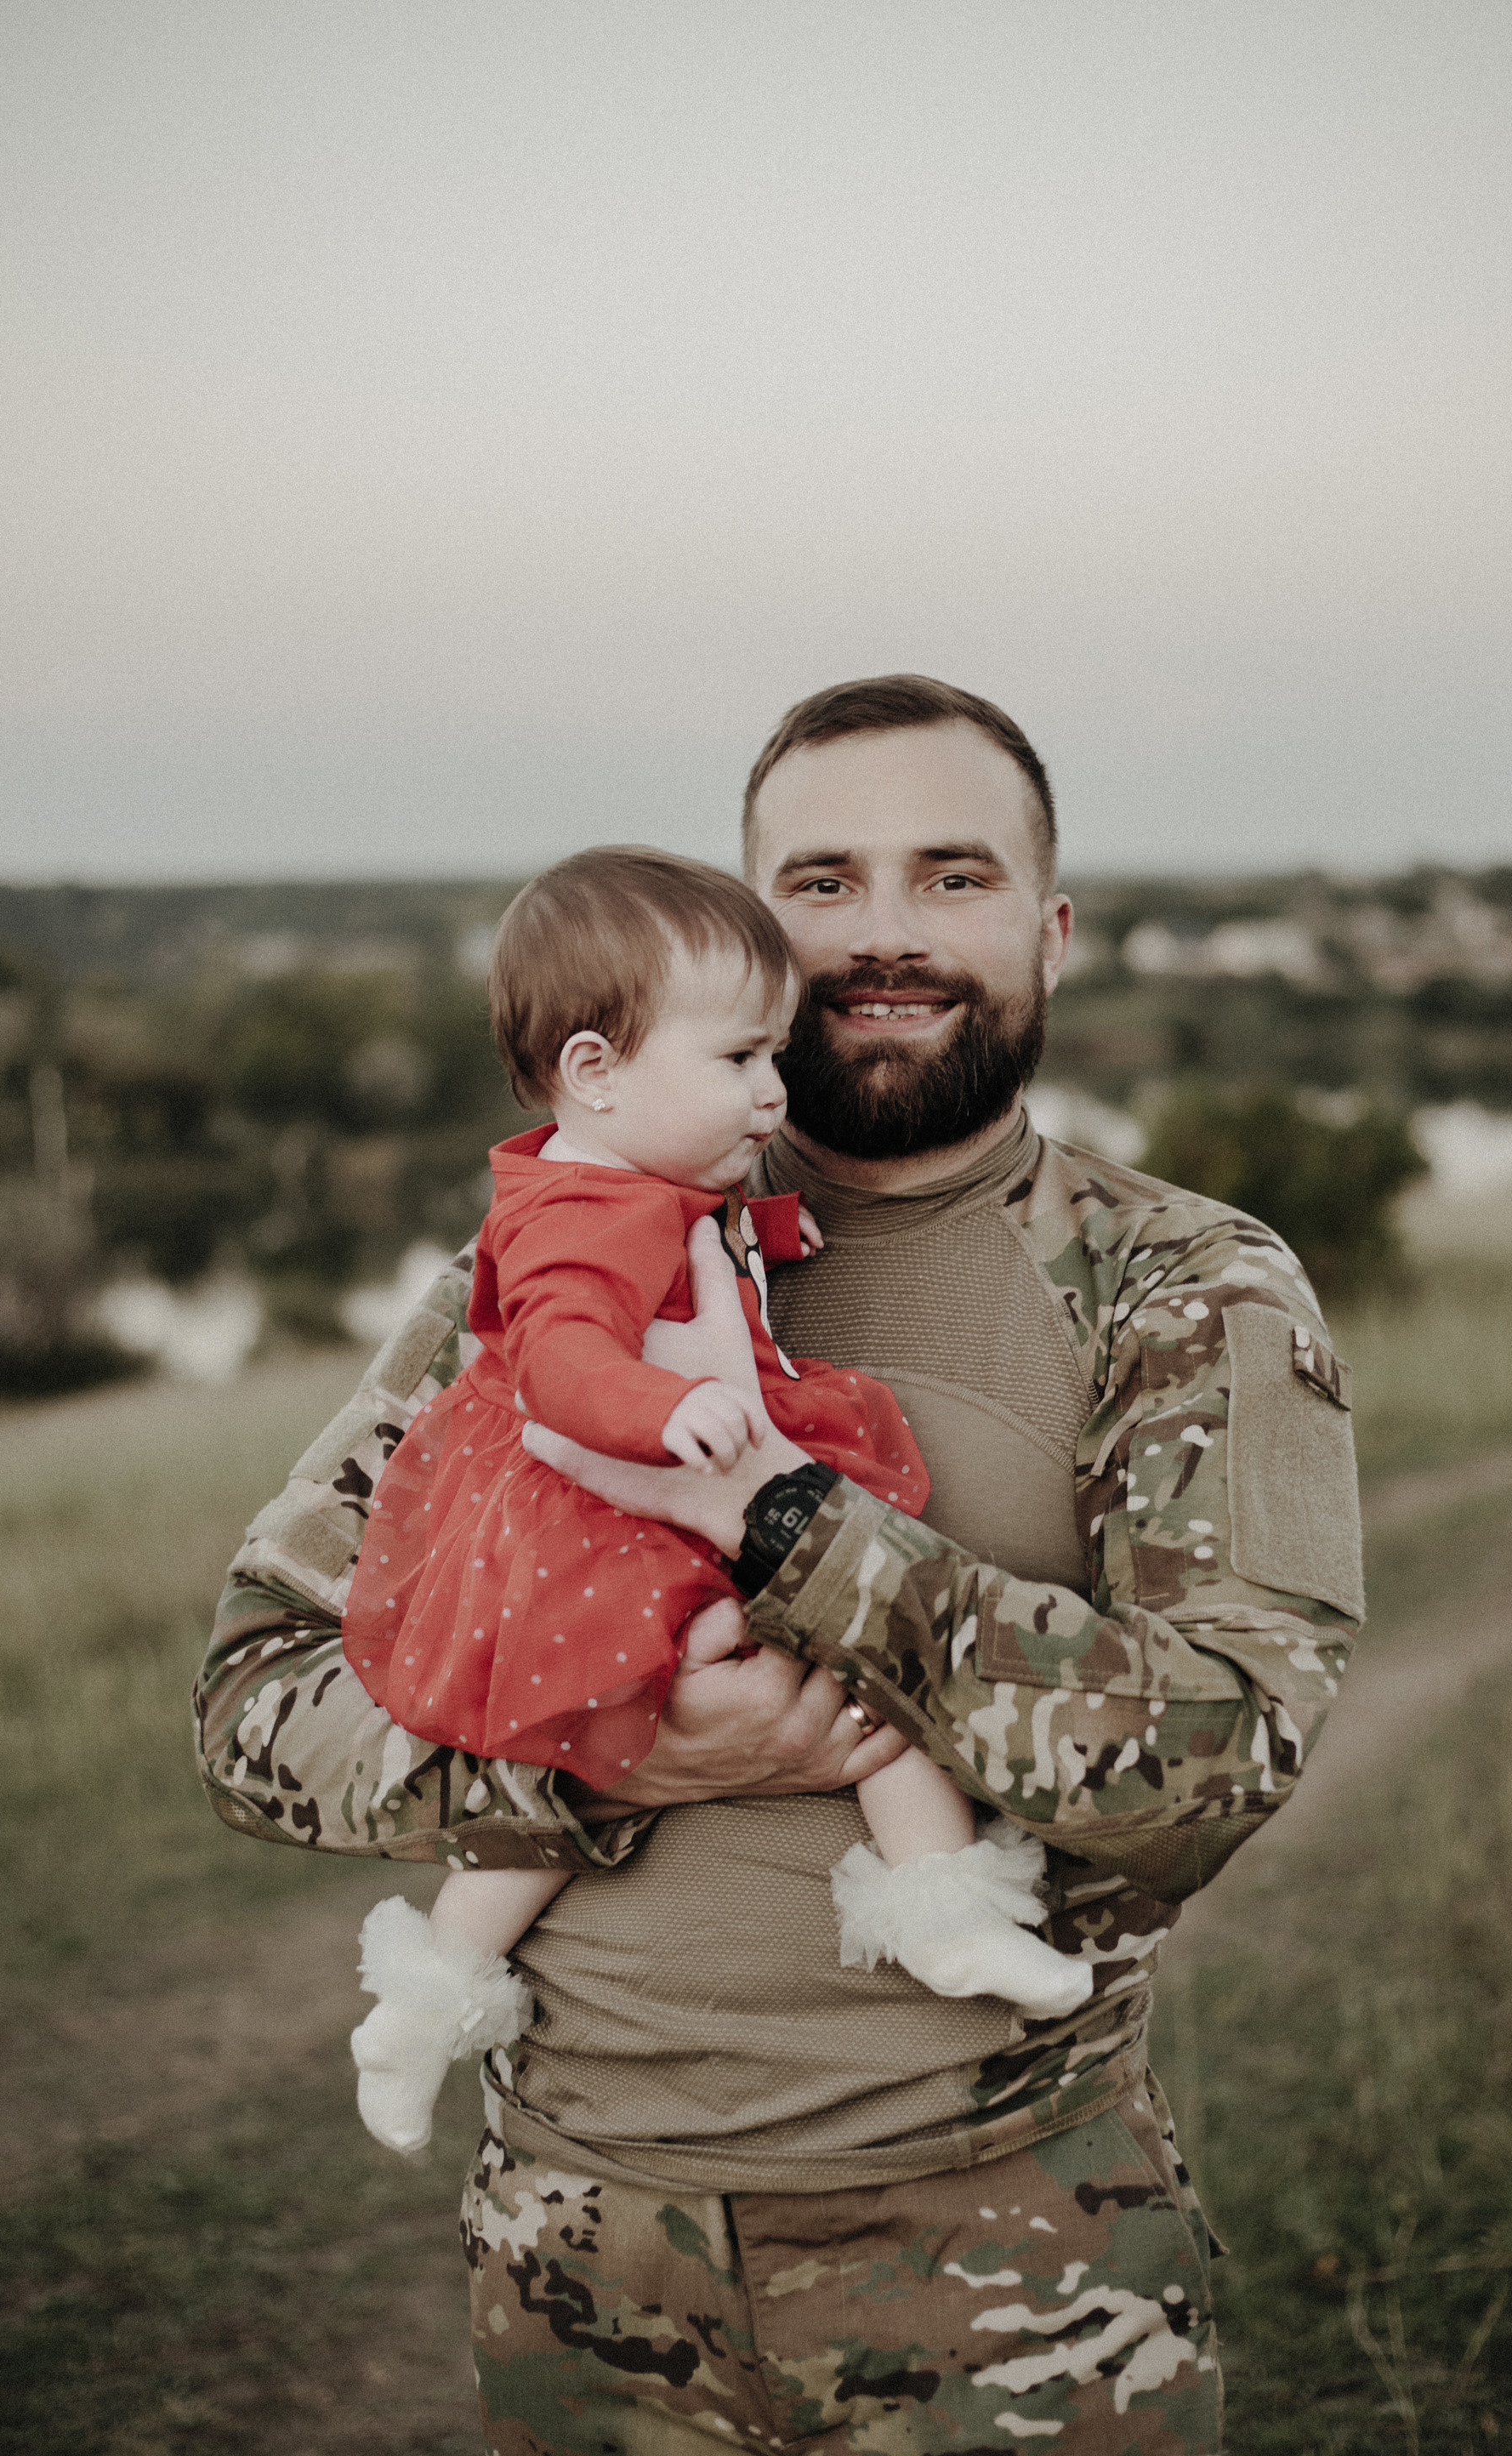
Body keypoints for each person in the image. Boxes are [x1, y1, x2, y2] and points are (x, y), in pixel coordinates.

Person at [197, 674, 1365, 2456]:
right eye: (821, 881)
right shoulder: (541, 1275)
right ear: (735, 931)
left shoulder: (1183, 1286)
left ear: (1046, 930)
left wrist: (802, 1533)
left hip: (1001, 2243)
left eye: (953, 875)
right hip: (581, 2250)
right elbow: (254, 1702)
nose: (884, 930)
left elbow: (1214, 1756)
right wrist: (611, 1754)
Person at [345, 846, 1092, 2154]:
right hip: (612, 1512)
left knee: (589, 1753)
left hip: (618, 1511)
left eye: (775, 1057)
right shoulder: (584, 1218)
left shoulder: (641, 1187)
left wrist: (775, 1239)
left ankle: (428, 1997)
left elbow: (711, 1258)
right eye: (741, 1061)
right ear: (596, 1071)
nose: (772, 1090)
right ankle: (942, 1905)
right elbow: (571, 1354)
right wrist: (667, 1413)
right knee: (838, 1671)